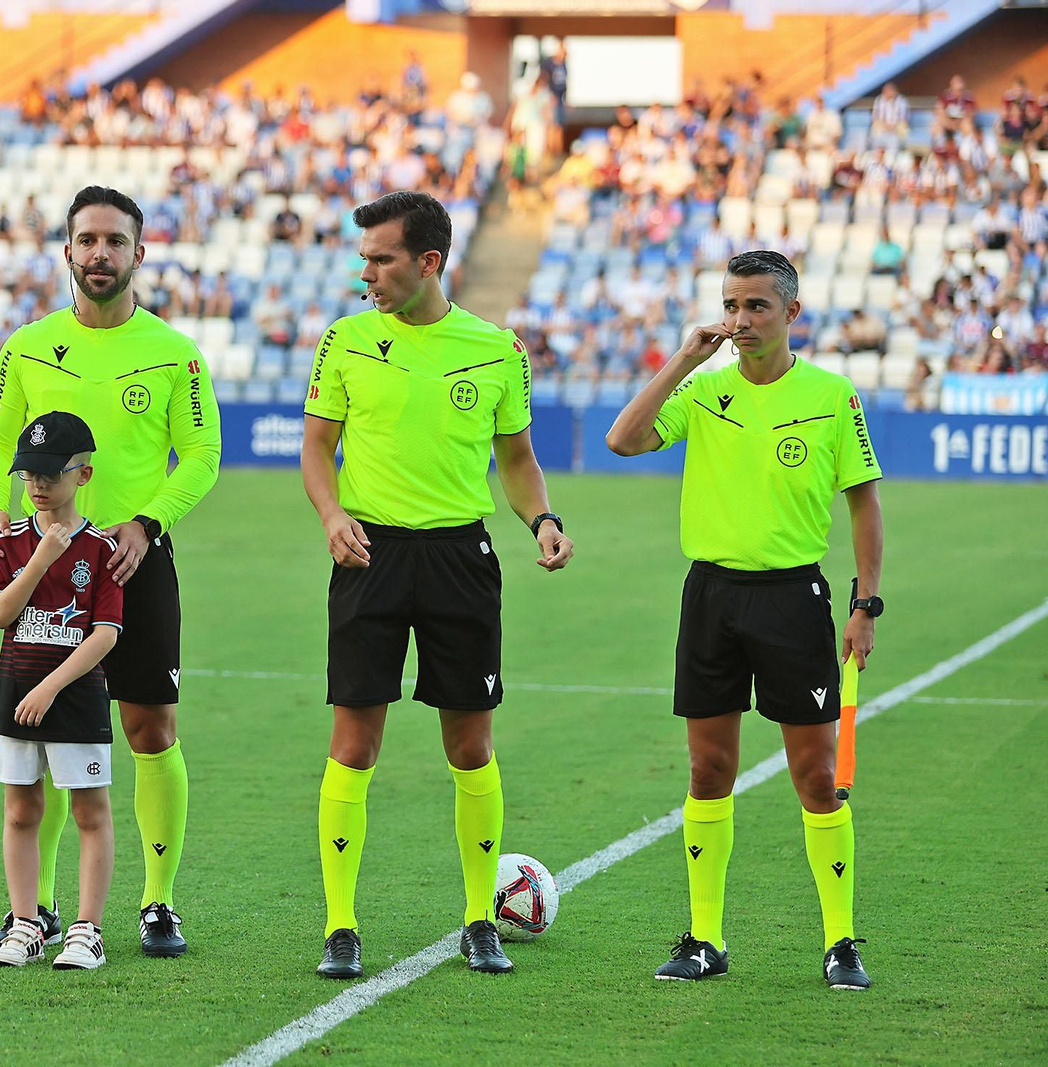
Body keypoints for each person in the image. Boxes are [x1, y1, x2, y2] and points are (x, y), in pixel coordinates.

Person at [301, 191, 574, 980]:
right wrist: (329, 515)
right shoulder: (345, 341)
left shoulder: (496, 350)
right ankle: (342, 925)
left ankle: (479, 919)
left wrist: (543, 519)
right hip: (367, 556)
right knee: (355, 742)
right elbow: (318, 449)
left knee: (470, 743)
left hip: (461, 558)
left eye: (381, 257)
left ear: (428, 262)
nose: (367, 272)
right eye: (364, 258)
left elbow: (518, 462)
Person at [604, 250, 883, 991]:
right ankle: (704, 939)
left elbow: (864, 504)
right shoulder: (704, 392)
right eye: (732, 305)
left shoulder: (832, 395)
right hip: (711, 598)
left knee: (817, 777)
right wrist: (680, 360)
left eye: (757, 306)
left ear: (792, 313)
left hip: (794, 598)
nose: (741, 321)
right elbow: (623, 439)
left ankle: (840, 941)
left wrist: (865, 604)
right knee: (709, 769)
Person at [0, 185, 221, 958]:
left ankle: (156, 900)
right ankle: (35, 910)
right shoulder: (28, 345)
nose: (100, 253)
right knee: (39, 735)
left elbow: (203, 456)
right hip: (44, 570)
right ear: (68, 251)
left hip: (133, 560)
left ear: (139, 253)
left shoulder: (175, 352)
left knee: (151, 728)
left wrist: (149, 522)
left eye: (116, 241)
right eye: (87, 240)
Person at [0, 412, 123, 969]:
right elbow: (0, 614)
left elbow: (106, 634)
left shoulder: (103, 549)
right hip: (14, 692)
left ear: (83, 476)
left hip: (75, 697)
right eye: (27, 475)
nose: (36, 485)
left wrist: (51, 687)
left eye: (50, 474)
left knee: (90, 812)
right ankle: (25, 924)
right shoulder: (8, 543)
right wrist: (41, 557)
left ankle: (87, 930)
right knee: (20, 810)